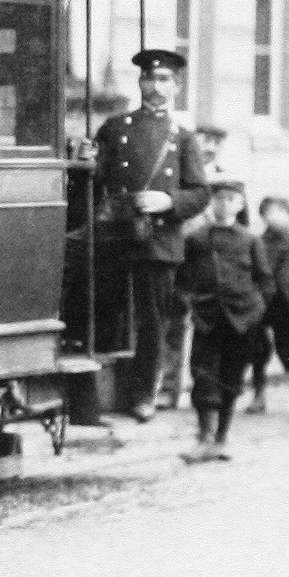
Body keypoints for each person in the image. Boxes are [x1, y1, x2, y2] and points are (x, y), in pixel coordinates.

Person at [91, 48, 210, 422]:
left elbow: (201, 192)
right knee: (108, 313)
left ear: (176, 87)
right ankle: (102, 395)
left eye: (163, 80)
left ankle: (143, 394)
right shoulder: (115, 128)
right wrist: (86, 161)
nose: (154, 86)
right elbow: (97, 179)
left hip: (158, 242)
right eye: (148, 79)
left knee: (151, 320)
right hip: (116, 235)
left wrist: (168, 200)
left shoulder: (184, 138)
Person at [178, 178, 271, 461]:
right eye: (219, 198)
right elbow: (183, 278)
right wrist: (190, 304)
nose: (224, 204)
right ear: (211, 202)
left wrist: (254, 312)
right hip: (207, 318)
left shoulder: (250, 240)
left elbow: (265, 281)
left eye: (231, 199)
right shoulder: (197, 238)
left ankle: (221, 438)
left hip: (241, 321)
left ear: (241, 205)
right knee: (203, 375)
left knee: (232, 378)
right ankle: (204, 437)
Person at [155, 122, 231, 409]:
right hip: (176, 256)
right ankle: (168, 388)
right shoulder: (177, 175)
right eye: (204, 141)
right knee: (172, 321)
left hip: (207, 264)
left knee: (208, 326)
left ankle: (209, 388)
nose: (209, 148)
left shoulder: (227, 179)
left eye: (216, 142)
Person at [246, 195, 289, 414]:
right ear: (263, 216)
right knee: (257, 352)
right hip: (262, 304)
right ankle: (258, 395)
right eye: (270, 212)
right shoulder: (256, 242)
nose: (276, 217)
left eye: (281, 211)